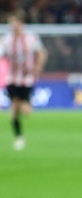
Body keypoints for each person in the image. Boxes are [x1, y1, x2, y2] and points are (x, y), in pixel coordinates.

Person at [0, 11, 47, 151]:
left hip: (27, 79)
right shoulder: (6, 40)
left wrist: (38, 66)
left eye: (14, 22)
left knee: (26, 110)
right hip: (12, 78)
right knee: (14, 108)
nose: (12, 26)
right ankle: (19, 137)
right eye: (11, 23)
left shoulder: (31, 38)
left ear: (21, 23)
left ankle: (23, 106)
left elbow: (42, 52)